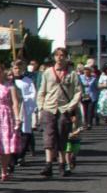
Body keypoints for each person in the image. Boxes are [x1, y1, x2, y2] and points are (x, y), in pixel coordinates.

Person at [37, 47, 84, 179]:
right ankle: (48, 165)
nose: (59, 57)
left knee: (62, 136)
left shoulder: (72, 74)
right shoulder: (47, 72)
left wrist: (71, 106)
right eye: (57, 55)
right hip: (49, 107)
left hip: (64, 108)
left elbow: (78, 92)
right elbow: (42, 91)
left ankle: (62, 164)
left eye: (62, 55)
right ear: (54, 57)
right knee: (48, 136)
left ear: (66, 57)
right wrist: (41, 107)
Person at [0, 63, 22, 182]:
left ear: (3, 72)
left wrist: (17, 118)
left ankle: (4, 171)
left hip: (6, 116)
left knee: (5, 145)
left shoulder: (10, 86)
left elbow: (15, 103)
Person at [12, 59, 38, 157]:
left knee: (25, 131)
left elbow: (33, 94)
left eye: (19, 68)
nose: (17, 70)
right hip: (13, 109)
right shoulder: (10, 81)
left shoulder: (28, 81)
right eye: (15, 68)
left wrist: (24, 99)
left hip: (25, 108)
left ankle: (22, 154)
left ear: (23, 69)